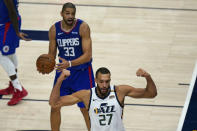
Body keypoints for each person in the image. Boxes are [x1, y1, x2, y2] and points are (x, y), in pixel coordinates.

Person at [49, 67, 157, 131]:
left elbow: (151, 93)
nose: (104, 85)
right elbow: (54, 103)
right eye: (101, 82)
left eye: (107, 81)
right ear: (96, 80)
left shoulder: (119, 91)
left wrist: (147, 76)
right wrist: (60, 80)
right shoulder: (86, 95)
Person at [48, 2, 95, 131]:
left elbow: (88, 56)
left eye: (72, 14)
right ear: (61, 14)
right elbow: (51, 55)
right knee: (55, 105)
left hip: (83, 73)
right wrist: (47, 65)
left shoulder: (83, 27)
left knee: (86, 108)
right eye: (67, 13)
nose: (70, 16)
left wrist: (69, 63)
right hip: (63, 73)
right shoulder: (54, 29)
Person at [0, 0, 31, 105]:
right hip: (6, 23)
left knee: (2, 56)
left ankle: (19, 89)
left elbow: (12, 11)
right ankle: (13, 86)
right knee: (9, 54)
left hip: (8, 24)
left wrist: (17, 31)